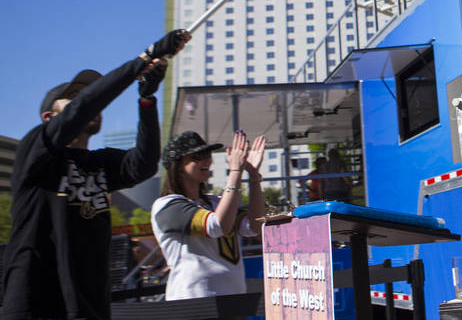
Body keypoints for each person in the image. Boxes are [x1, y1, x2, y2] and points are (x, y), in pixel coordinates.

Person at [1, 29, 190, 320]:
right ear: (50, 118)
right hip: (34, 302)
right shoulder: (35, 150)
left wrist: (147, 99)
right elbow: (83, 108)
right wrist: (145, 57)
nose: (87, 102)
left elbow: (144, 164)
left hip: (90, 303)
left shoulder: (99, 163)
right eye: (74, 97)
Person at [150, 129, 267, 300]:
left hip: (234, 300)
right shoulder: (167, 206)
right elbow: (217, 226)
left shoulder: (215, 202)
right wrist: (235, 171)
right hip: (195, 305)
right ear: (178, 166)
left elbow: (255, 226)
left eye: (208, 154)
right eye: (197, 156)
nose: (207, 160)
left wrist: (254, 176)